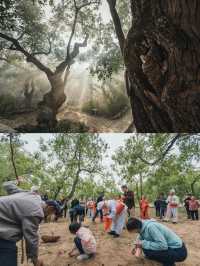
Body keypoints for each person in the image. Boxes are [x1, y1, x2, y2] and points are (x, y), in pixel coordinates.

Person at [0, 181, 45, 266]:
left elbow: (7, 185)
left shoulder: (27, 194)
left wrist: (17, 181)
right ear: (51, 208)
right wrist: (34, 259)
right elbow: (31, 237)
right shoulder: (36, 210)